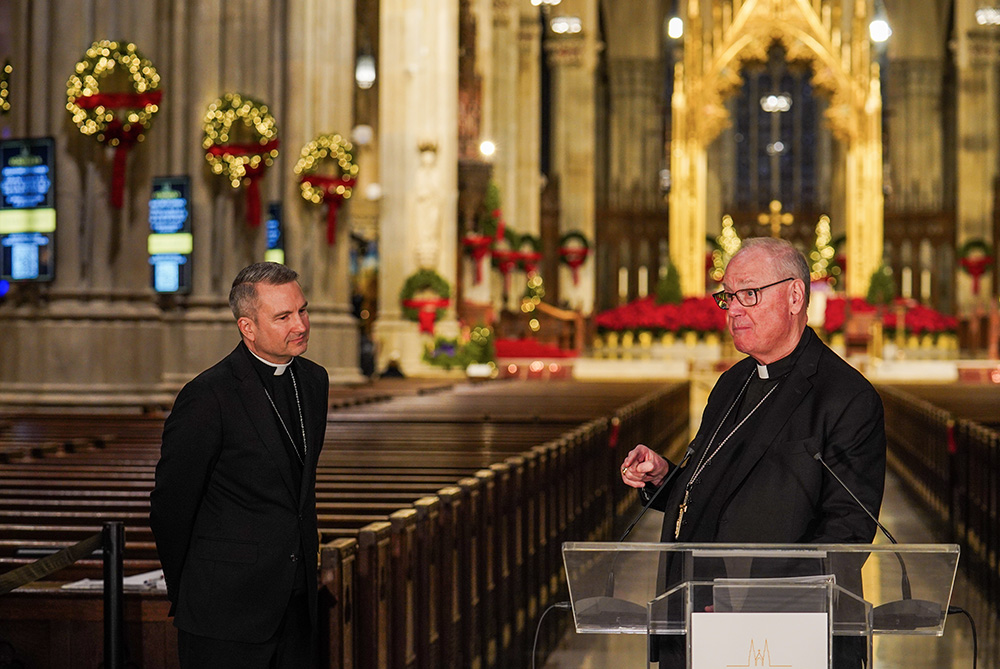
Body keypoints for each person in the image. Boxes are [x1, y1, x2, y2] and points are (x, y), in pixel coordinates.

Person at [620, 237, 886, 667]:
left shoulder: (846, 397)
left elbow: (847, 534)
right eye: (728, 296)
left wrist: (753, 609)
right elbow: (716, 488)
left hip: (781, 638)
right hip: (697, 621)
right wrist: (664, 476)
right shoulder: (732, 383)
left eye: (749, 294)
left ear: (795, 295)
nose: (734, 309)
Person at [150, 262, 329, 668]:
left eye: (302, 310)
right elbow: (170, 507)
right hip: (224, 611)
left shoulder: (314, 381)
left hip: (297, 604)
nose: (300, 324)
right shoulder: (207, 396)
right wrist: (191, 590)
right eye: (283, 317)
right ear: (247, 327)